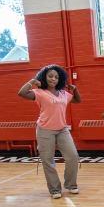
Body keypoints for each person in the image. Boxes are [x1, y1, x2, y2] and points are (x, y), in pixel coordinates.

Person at [18, 64, 82, 199]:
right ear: (44, 77)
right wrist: (31, 82)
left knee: (73, 156)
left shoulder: (64, 94)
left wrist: (75, 89)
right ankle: (54, 189)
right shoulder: (39, 93)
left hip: (62, 129)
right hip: (45, 130)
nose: (53, 79)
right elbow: (22, 93)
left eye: (56, 77)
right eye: (50, 76)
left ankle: (71, 184)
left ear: (60, 79)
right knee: (48, 160)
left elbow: (77, 100)